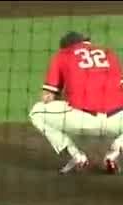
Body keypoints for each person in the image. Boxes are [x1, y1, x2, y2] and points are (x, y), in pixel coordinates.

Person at [29, 32, 123, 174]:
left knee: (36, 112)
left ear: (65, 46)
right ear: (87, 42)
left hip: (81, 120)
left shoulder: (62, 55)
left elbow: (48, 97)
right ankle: (115, 152)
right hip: (117, 120)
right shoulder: (109, 54)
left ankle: (77, 156)